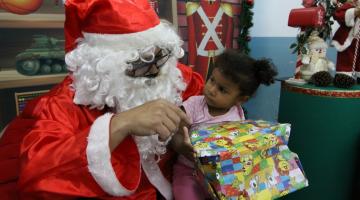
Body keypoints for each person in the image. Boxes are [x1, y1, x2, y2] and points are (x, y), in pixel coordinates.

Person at [0, 0, 204, 199]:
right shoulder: (61, 105)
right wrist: (120, 124)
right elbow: (39, 179)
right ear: (102, 65)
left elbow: (207, 106)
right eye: (141, 63)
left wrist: (186, 138)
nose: (155, 71)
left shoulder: (173, 77)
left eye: (161, 56)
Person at [170, 49, 278, 200]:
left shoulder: (237, 116)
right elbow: (176, 133)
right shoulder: (194, 105)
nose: (211, 89)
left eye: (222, 89)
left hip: (220, 176)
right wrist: (182, 146)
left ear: (240, 100)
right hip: (189, 171)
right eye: (212, 80)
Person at [332, 0, 360, 88]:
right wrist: (355, 12)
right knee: (346, 57)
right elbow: (338, 15)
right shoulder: (350, 3)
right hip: (349, 38)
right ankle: (344, 78)